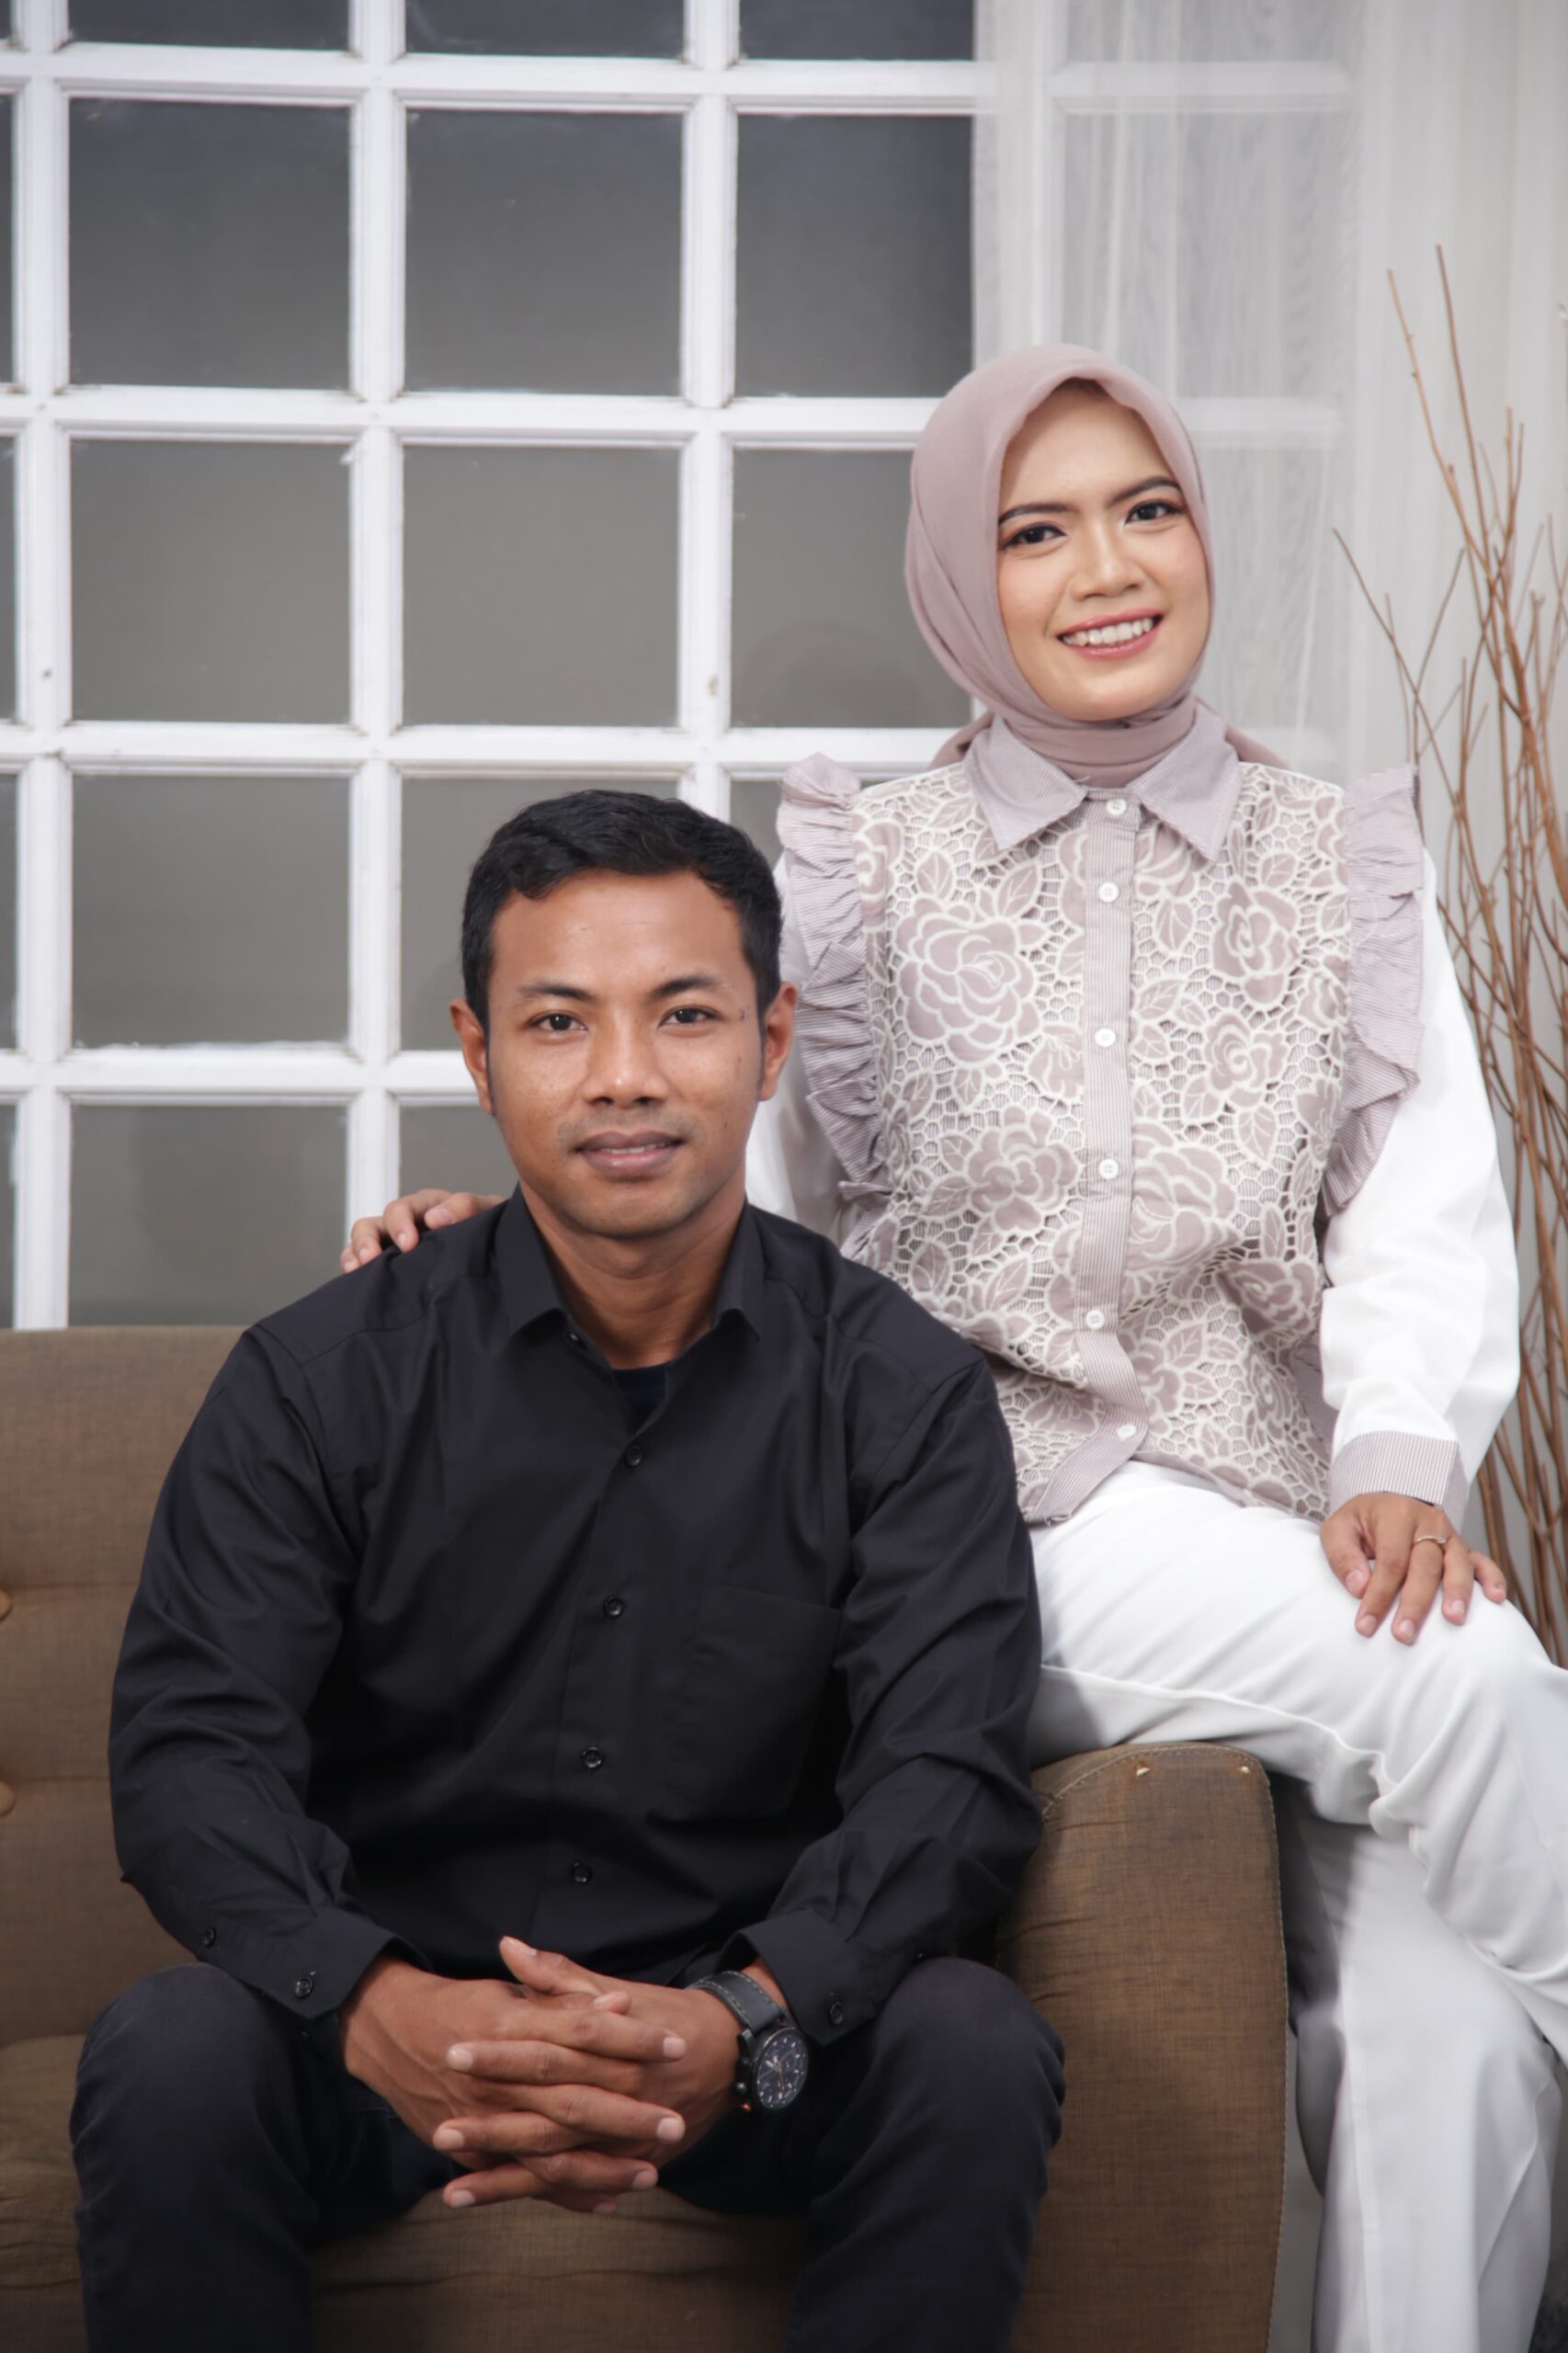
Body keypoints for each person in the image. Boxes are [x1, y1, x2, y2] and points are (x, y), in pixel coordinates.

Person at [362, 347, 1568, 2353]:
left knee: (1451, 2033)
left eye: (1145, 510)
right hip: (969, 1523)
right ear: (958, 578)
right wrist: (512, 1235)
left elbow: (1422, 1205)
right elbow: (726, 1169)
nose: (1106, 567)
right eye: (1035, 530)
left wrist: (1393, 1461)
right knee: (1472, 1677)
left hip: (1279, 1525)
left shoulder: (1339, 857)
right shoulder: (859, 870)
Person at [72, 792, 1062, 2353]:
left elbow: (947, 1777)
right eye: (558, 1022)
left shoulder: (898, 1391)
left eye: (684, 1014)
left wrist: (742, 2016)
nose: (623, 1076)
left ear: (772, 1039)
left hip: (746, 2041)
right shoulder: (319, 1379)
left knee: (971, 2040)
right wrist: (379, 2006)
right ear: (478, 1055)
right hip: (389, 2021)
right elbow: (193, 1754)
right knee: (172, 2045)